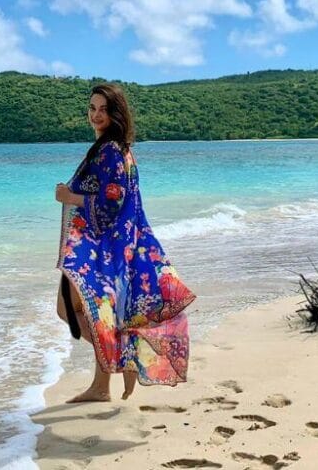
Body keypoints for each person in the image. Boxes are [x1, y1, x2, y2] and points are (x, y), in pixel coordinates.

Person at [54, 83, 197, 403]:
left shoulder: (111, 151)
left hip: (102, 248)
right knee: (94, 313)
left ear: (116, 113)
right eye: (92, 108)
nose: (95, 115)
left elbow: (110, 203)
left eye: (103, 109)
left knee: (67, 309)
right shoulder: (116, 149)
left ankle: (123, 359)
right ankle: (101, 386)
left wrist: (68, 197)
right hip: (115, 245)